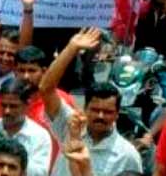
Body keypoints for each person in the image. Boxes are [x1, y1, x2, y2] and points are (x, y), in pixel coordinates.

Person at [39, 28, 142, 176]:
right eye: (94, 110)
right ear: (85, 109)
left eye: (108, 112)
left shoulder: (127, 155)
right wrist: (71, 48)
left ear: (117, 114)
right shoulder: (71, 127)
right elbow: (45, 89)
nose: (100, 116)